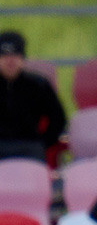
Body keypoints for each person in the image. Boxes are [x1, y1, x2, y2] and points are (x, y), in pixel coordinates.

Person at [0, 30, 66, 161]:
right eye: (5, 56)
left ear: (22, 58)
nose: (10, 61)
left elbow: (58, 118)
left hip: (29, 146)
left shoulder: (38, 84)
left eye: (15, 56)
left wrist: (43, 143)